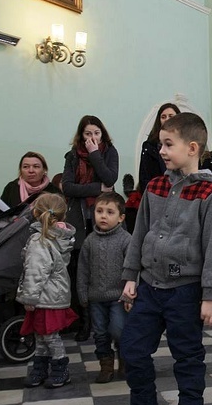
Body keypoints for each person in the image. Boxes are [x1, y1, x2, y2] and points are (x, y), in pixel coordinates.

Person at [112, 113, 212, 405]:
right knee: (132, 348)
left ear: (192, 148)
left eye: (167, 144)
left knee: (188, 357)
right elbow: (139, 233)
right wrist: (130, 276)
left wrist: (209, 295)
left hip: (186, 291)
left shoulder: (208, 192)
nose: (160, 150)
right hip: (149, 286)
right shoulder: (155, 186)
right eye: (161, 143)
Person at [62, 115, 119, 342]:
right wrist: (97, 188)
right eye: (88, 134)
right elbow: (67, 187)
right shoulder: (72, 156)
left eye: (96, 133)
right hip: (78, 217)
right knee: (80, 270)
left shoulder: (109, 152)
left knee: (101, 267)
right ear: (81, 135)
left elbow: (110, 177)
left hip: (101, 214)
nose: (92, 138)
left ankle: (102, 320)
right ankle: (83, 322)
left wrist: (95, 155)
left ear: (102, 134)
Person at [17, 193, 78, 389]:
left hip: (43, 296)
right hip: (56, 294)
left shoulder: (39, 240)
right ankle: (40, 369)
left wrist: (29, 297)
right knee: (43, 335)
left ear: (35, 212)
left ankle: (60, 369)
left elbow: (36, 271)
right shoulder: (61, 237)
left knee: (48, 336)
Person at [77, 192, 131, 383]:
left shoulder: (126, 240)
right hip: (96, 298)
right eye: (99, 211)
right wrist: (82, 293)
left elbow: (133, 270)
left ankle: (124, 360)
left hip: (118, 297)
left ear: (120, 218)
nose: (103, 216)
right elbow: (82, 269)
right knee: (100, 333)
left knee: (118, 330)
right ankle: (105, 366)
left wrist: (129, 294)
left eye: (110, 212)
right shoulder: (90, 241)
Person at [139, 102, 180, 193]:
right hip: (157, 193)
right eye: (163, 117)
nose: (167, 119)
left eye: (171, 116)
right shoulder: (149, 146)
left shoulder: (185, 143)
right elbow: (144, 177)